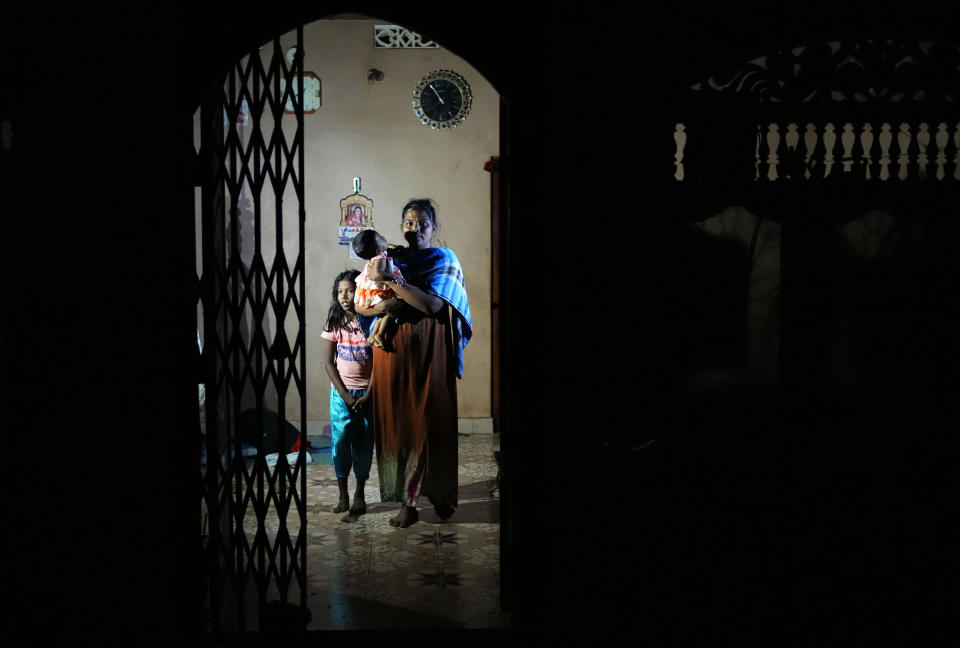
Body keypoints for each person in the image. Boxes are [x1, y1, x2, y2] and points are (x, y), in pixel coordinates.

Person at [356, 199, 472, 528]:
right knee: (399, 424)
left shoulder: (444, 259)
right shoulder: (387, 258)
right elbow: (363, 305)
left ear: (434, 229)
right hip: (392, 354)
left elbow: (433, 305)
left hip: (429, 351)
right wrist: (385, 308)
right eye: (409, 222)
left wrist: (393, 286)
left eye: (423, 223)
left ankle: (436, 493)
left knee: (429, 422)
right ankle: (407, 500)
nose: (415, 229)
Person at [319, 269, 375, 518]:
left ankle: (359, 495)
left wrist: (369, 394)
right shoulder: (334, 322)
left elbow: (380, 363)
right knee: (340, 443)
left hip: (368, 395)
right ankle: (342, 494)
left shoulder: (371, 322)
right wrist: (346, 396)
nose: (344, 296)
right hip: (342, 395)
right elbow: (329, 363)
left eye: (350, 290)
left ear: (360, 291)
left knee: (363, 445)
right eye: (340, 291)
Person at [351, 229, 406, 349]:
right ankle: (379, 334)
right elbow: (379, 274)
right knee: (390, 311)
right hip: (381, 289)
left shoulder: (379, 254)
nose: (384, 237)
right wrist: (395, 277)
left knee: (383, 314)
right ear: (377, 250)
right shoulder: (380, 257)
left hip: (375, 289)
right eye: (381, 238)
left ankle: (373, 336)